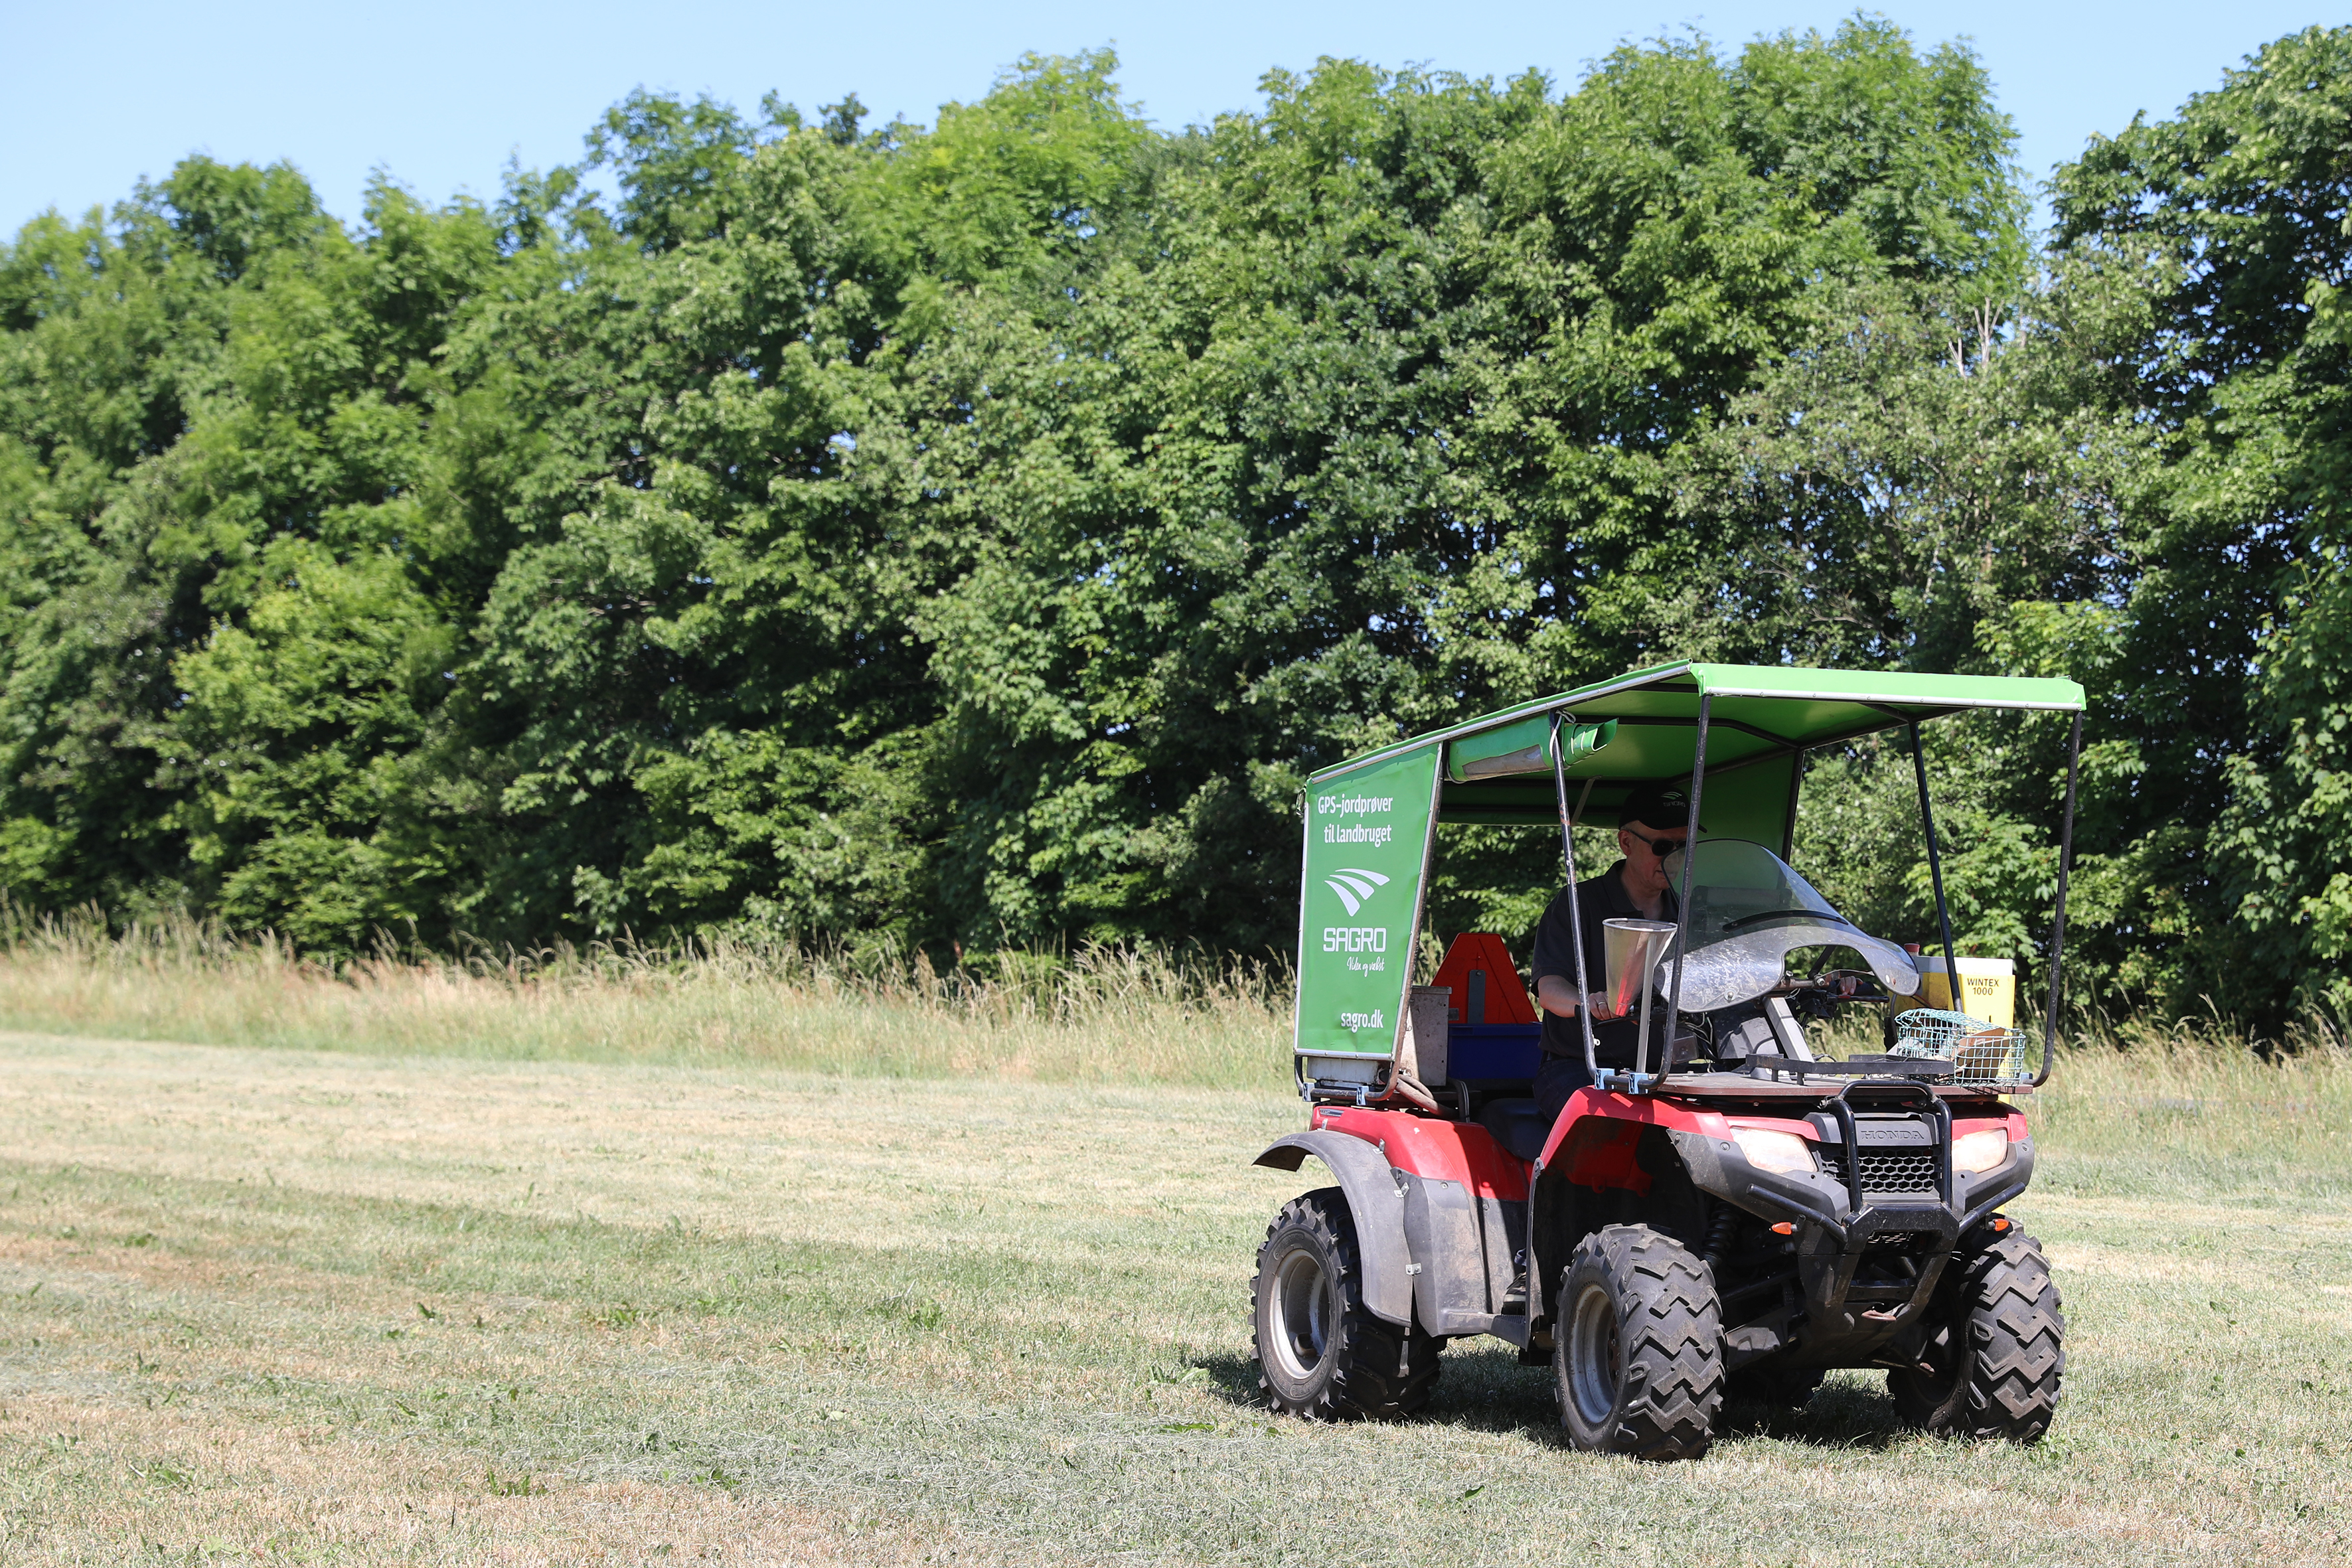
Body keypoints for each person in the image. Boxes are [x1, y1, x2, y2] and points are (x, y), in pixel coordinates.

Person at [1528, 779, 1691, 1117]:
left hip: (1668, 1072)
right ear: (1626, 843)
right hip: (1581, 1069)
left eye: (1683, 846)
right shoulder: (1576, 904)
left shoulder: (1693, 913)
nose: (1674, 857)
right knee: (1618, 1129)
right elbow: (1549, 991)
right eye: (1663, 846)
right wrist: (1587, 1002)